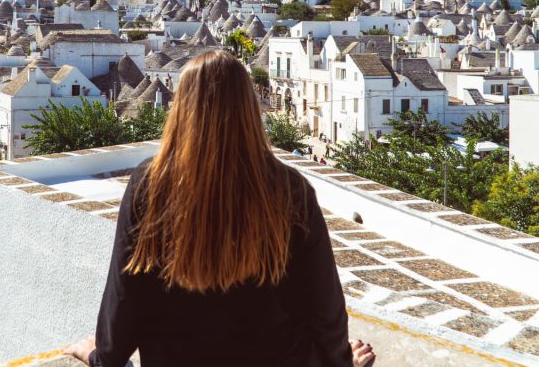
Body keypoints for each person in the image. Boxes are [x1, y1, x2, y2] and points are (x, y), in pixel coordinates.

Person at [64, 50, 375, 367]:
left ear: (182, 108)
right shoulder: (290, 189)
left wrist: (101, 356)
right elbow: (324, 304)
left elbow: (126, 295)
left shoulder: (150, 184)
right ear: (249, 108)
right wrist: (340, 361)